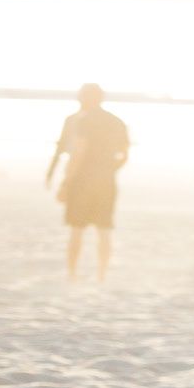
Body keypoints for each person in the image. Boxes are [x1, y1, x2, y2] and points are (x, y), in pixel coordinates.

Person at [46, 85, 128, 282]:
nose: (78, 100)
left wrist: (65, 182)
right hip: (107, 181)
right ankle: (102, 275)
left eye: (81, 97)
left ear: (87, 98)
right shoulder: (117, 122)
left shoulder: (83, 120)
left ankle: (72, 274)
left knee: (76, 229)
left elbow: (79, 153)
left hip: (82, 181)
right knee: (104, 229)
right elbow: (125, 155)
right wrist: (109, 170)